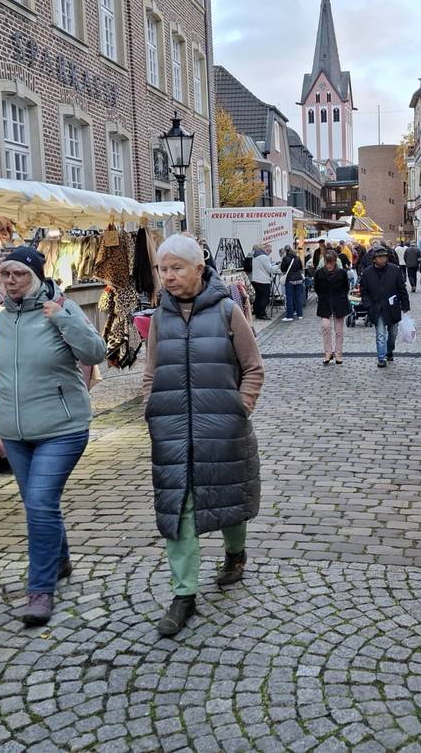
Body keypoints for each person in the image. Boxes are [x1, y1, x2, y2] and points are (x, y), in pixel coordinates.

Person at [0, 247, 106, 627]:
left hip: (62, 429)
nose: (12, 281)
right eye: (5, 275)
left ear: (36, 275)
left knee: (39, 503)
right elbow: (7, 364)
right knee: (39, 504)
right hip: (16, 432)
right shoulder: (5, 318)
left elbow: (95, 351)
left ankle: (41, 589)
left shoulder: (61, 307)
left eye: (19, 274)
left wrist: (65, 318)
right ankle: (60, 559)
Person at [142, 235, 265, 638]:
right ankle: (184, 595)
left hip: (223, 431)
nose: (169, 276)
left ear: (199, 269)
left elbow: (253, 368)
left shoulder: (228, 310)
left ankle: (235, 554)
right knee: (179, 510)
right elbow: (151, 373)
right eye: (163, 269)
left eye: (177, 268)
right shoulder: (160, 319)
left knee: (229, 499)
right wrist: (153, 410)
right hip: (173, 432)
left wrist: (238, 409)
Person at [359, 244, 410, 368]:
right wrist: (368, 305)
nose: (383, 259)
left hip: (392, 307)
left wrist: (405, 304)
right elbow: (364, 291)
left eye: (384, 257)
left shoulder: (395, 270)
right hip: (376, 308)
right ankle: (381, 358)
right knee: (380, 334)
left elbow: (401, 288)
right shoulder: (367, 273)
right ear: (374, 259)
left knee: (393, 333)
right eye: (380, 257)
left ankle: (389, 350)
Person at [313, 249, 351, 364]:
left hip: (339, 302)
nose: (329, 265)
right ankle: (328, 352)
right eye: (327, 262)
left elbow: (346, 288)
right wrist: (323, 297)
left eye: (331, 262)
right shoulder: (319, 273)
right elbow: (317, 288)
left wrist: (340, 297)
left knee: (339, 330)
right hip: (325, 303)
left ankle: (338, 353)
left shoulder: (342, 273)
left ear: (335, 261)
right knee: (325, 327)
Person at [250, 243, 276, 319]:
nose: (270, 252)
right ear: (266, 249)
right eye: (270, 250)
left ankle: (257, 312)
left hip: (256, 280)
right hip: (263, 280)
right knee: (264, 298)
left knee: (258, 297)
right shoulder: (264, 257)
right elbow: (270, 269)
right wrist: (278, 266)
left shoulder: (255, 256)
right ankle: (261, 314)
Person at [280, 244, 305, 321]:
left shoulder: (285, 258)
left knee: (289, 297)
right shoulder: (297, 258)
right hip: (298, 278)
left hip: (290, 279)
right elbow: (301, 267)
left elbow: (282, 269)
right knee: (298, 297)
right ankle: (300, 314)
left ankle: (289, 316)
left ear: (285, 251)